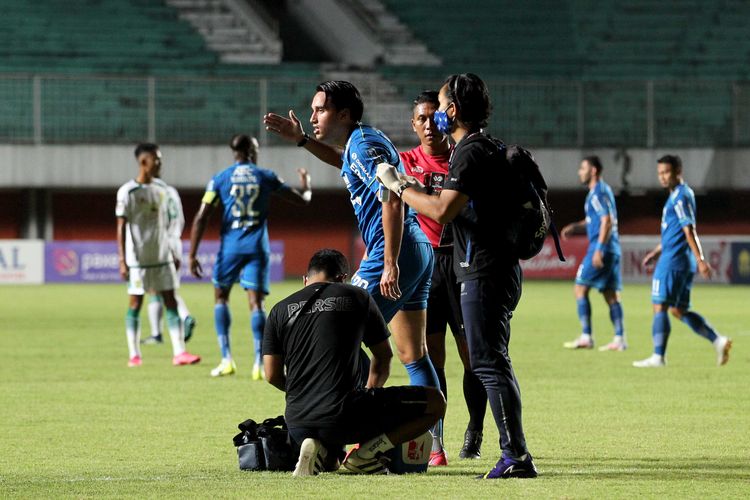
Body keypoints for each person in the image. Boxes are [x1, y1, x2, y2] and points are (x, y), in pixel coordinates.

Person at [376, 73, 538, 479]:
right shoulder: (491, 147)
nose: (437, 118)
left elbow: (442, 211)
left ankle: (515, 456)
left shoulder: (467, 152)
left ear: (452, 110)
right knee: (490, 362)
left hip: (480, 269)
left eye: (443, 107)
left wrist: (399, 186)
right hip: (496, 267)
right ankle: (510, 452)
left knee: (487, 363)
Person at [263, 81, 440, 392]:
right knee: (413, 354)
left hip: (395, 250)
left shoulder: (362, 146)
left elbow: (393, 195)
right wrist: (302, 139)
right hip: (417, 246)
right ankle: (433, 440)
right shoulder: (361, 140)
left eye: (321, 110)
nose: (314, 116)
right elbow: (341, 160)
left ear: (343, 114)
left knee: (340, 329)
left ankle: (352, 417)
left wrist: (389, 262)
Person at [263, 249, 446, 476]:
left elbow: (271, 375)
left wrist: (300, 390)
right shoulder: (357, 296)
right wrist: (369, 393)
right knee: (436, 402)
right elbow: (383, 357)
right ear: (342, 278)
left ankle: (314, 446)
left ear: (305, 280)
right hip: (344, 417)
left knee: (332, 462)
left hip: (297, 422)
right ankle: (366, 455)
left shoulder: (279, 309)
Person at [399, 90, 487, 464]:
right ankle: (436, 444)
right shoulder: (405, 161)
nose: (427, 124)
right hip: (424, 268)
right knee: (433, 357)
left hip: (462, 262)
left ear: (445, 119)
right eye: (420, 118)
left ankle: (476, 430)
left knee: (472, 358)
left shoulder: (462, 157)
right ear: (414, 124)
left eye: (433, 117)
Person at [188, 135, 311, 379]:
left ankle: (226, 360)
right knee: (257, 304)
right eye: (256, 148)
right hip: (257, 246)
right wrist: (306, 185)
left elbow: (202, 216)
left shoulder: (219, 179)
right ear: (250, 151)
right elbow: (301, 200)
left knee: (221, 298)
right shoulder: (266, 176)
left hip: (230, 248)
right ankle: (258, 362)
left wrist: (192, 254)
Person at [633, 155, 732, 368]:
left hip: (674, 262)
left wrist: (701, 259)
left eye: (666, 172)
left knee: (659, 306)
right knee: (678, 310)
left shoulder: (680, 196)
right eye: (659, 173)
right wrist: (658, 251)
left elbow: (689, 229)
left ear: (678, 171)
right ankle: (718, 340)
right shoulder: (680, 195)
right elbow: (676, 231)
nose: (662, 177)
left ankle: (658, 357)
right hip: (677, 259)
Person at [115, 143, 201, 367]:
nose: (160, 163)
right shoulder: (128, 192)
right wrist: (123, 260)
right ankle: (134, 354)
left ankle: (180, 352)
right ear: (144, 162)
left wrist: (173, 250)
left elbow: (167, 224)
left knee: (171, 301)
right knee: (135, 303)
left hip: (162, 256)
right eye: (157, 159)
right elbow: (121, 227)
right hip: (138, 260)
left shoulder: (163, 190)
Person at [561, 156, 626, 351]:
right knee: (611, 295)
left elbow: (606, 221)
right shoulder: (600, 192)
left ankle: (586, 336)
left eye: (583, 168)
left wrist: (598, 250)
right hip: (612, 248)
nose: (580, 172)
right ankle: (619, 338)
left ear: (594, 171)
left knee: (580, 289)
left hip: (602, 247)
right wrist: (576, 226)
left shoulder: (597, 193)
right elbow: (595, 219)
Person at [142, 179, 197, 345]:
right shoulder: (172, 192)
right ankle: (157, 333)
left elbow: (156, 221)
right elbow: (180, 220)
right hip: (176, 241)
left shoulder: (155, 193)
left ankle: (182, 317)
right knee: (164, 289)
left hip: (161, 243)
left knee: (156, 289)